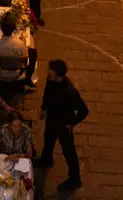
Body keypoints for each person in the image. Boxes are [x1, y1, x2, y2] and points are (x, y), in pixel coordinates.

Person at [34, 59, 88, 192]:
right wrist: (44, 108)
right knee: (48, 138)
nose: (48, 73)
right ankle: (46, 159)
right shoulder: (51, 80)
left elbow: (84, 111)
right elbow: (47, 93)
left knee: (69, 152)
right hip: (52, 118)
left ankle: (75, 179)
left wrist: (72, 123)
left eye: (50, 72)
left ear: (59, 77)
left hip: (63, 125)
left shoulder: (69, 92)